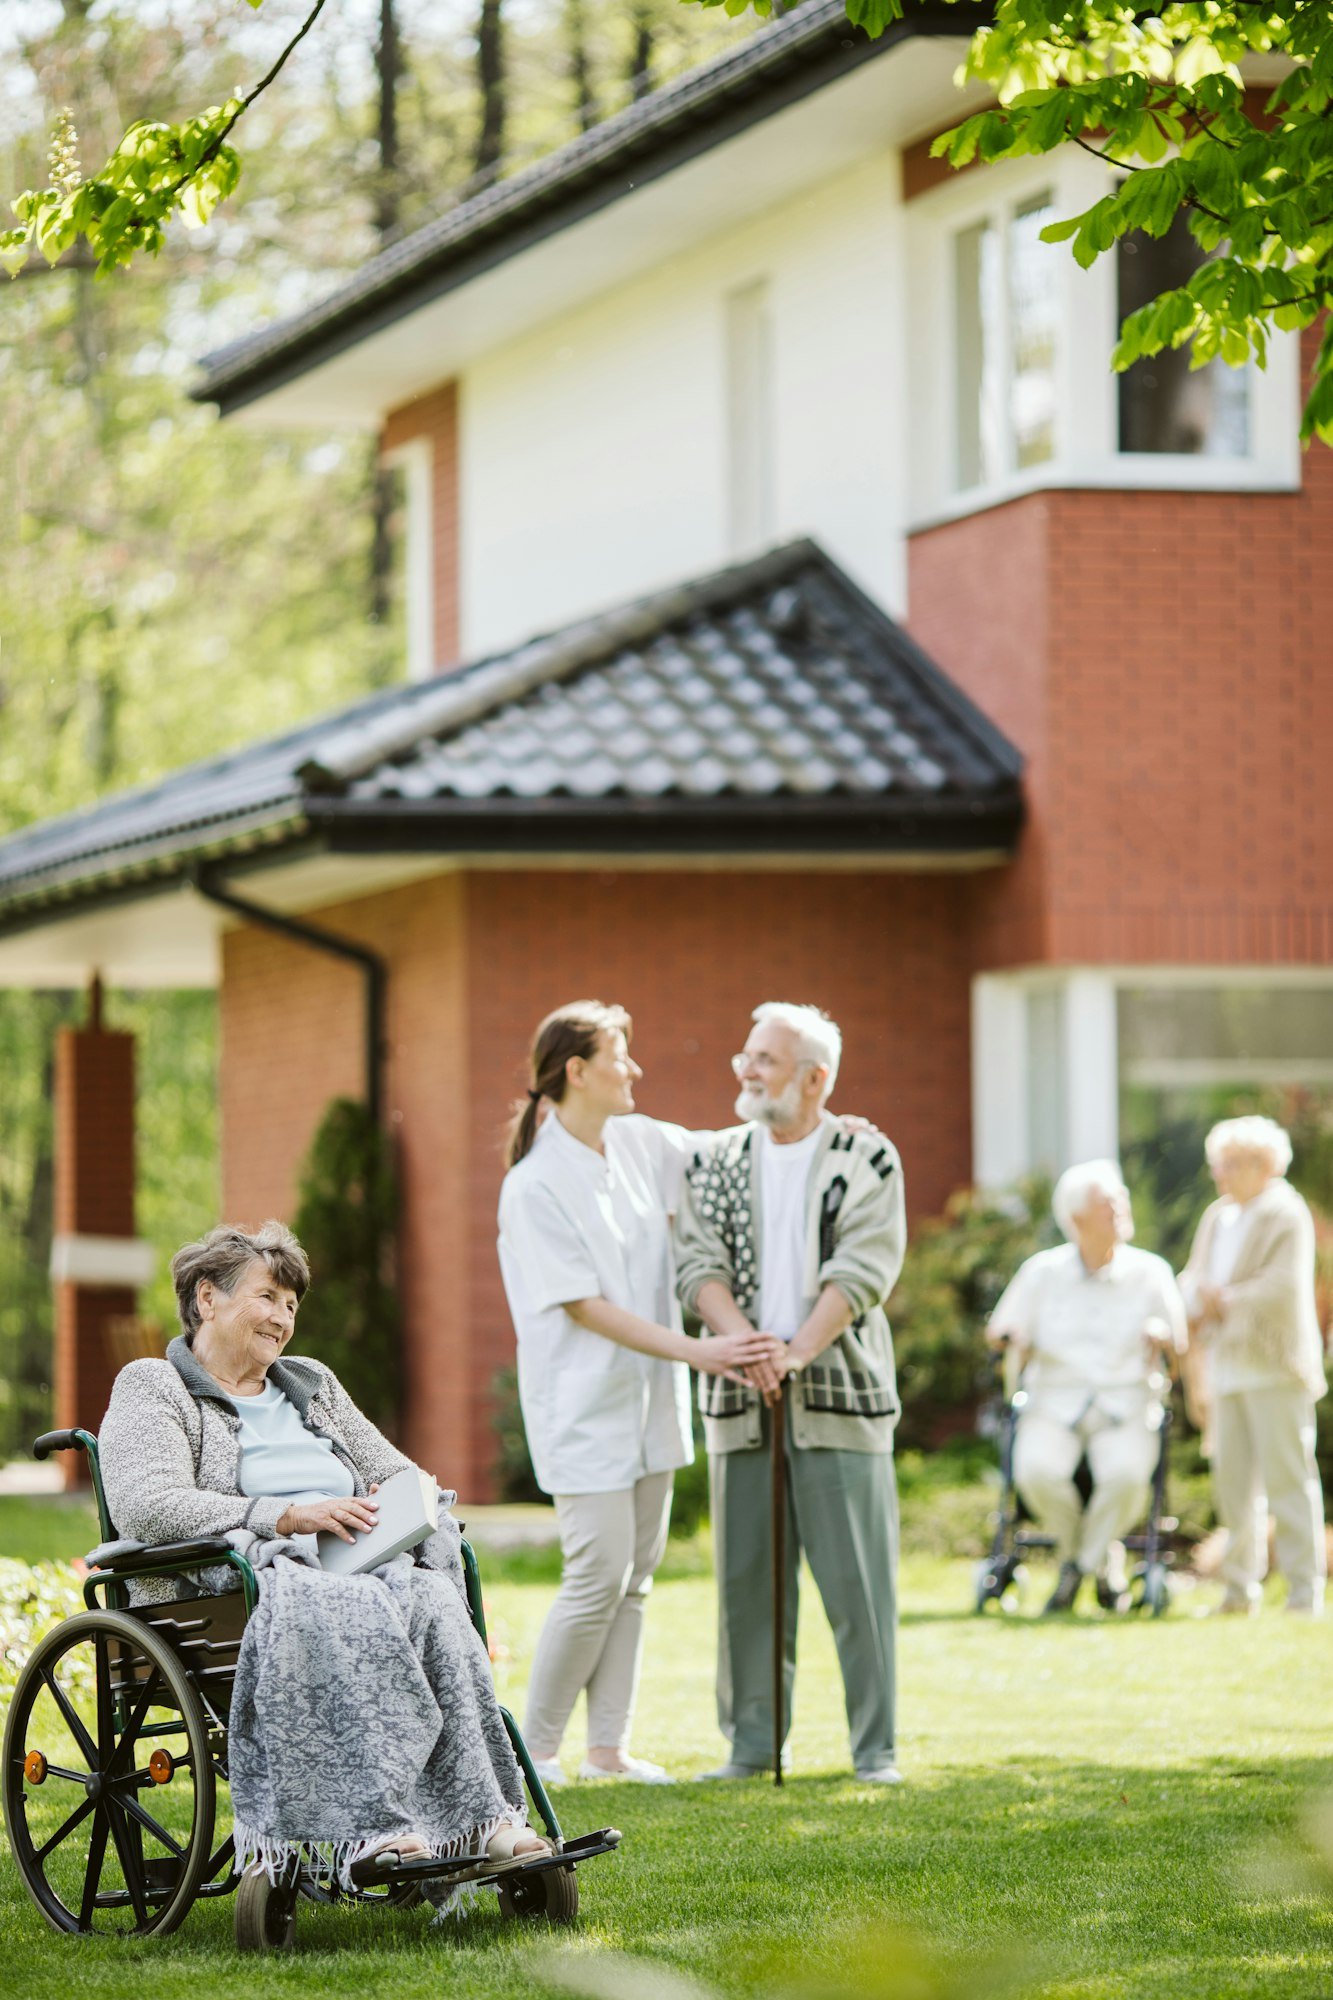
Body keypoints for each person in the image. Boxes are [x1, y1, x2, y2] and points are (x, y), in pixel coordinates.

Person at [99, 1222, 549, 1884]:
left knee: (428, 1597)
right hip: (230, 1582)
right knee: (347, 1600)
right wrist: (282, 1516)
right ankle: (369, 1831)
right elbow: (148, 1504)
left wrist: (403, 1510)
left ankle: (484, 1820)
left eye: (290, 1306)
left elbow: (397, 1474)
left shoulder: (309, 1382)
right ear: (206, 1299)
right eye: (268, 1297)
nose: (282, 1319)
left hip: (355, 1564)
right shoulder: (154, 1384)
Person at [497, 1001, 784, 1788]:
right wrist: (704, 1351)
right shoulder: (531, 1187)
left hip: (650, 1401)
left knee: (637, 1576)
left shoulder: (637, 1143)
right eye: (621, 1056)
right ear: (577, 1071)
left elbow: (727, 1151)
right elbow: (586, 1306)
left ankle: (607, 1750)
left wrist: (833, 1131)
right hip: (583, 1408)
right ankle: (534, 1753)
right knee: (596, 1576)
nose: (636, 1070)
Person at [674, 1001, 906, 1785]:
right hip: (740, 1403)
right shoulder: (711, 1160)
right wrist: (745, 1345)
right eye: (745, 1055)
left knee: (858, 1587)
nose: (745, 1069)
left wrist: (798, 1352)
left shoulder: (867, 1158)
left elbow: (864, 1267)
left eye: (764, 1060)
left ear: (816, 1079)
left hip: (840, 1397)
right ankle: (749, 1749)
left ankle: (874, 1753)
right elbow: (693, 1262)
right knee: (746, 1591)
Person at [987, 1160, 1186, 1615]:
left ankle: (1075, 1568)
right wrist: (1014, 1338)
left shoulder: (1151, 1272)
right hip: (1053, 1403)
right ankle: (1098, 1563)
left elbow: (1180, 1343)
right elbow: (1000, 1328)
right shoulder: (1042, 1272)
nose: (1120, 1207)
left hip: (1126, 1404)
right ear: (1076, 1218)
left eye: (1120, 1198)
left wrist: (1161, 1335)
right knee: (1036, 1472)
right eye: (1107, 1203)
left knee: (1125, 1478)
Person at [1179, 1115, 1327, 1615]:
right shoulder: (1218, 1216)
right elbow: (1193, 1277)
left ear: (1262, 1164)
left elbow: (1282, 1287)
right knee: (1234, 1485)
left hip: (1276, 1368)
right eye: (1217, 1165)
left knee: (1289, 1480)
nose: (1219, 1174)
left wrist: (1226, 1301)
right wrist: (1200, 1298)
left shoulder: (1285, 1213)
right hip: (1227, 1368)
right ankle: (1239, 1590)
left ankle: (1305, 1592)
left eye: (1229, 1164)